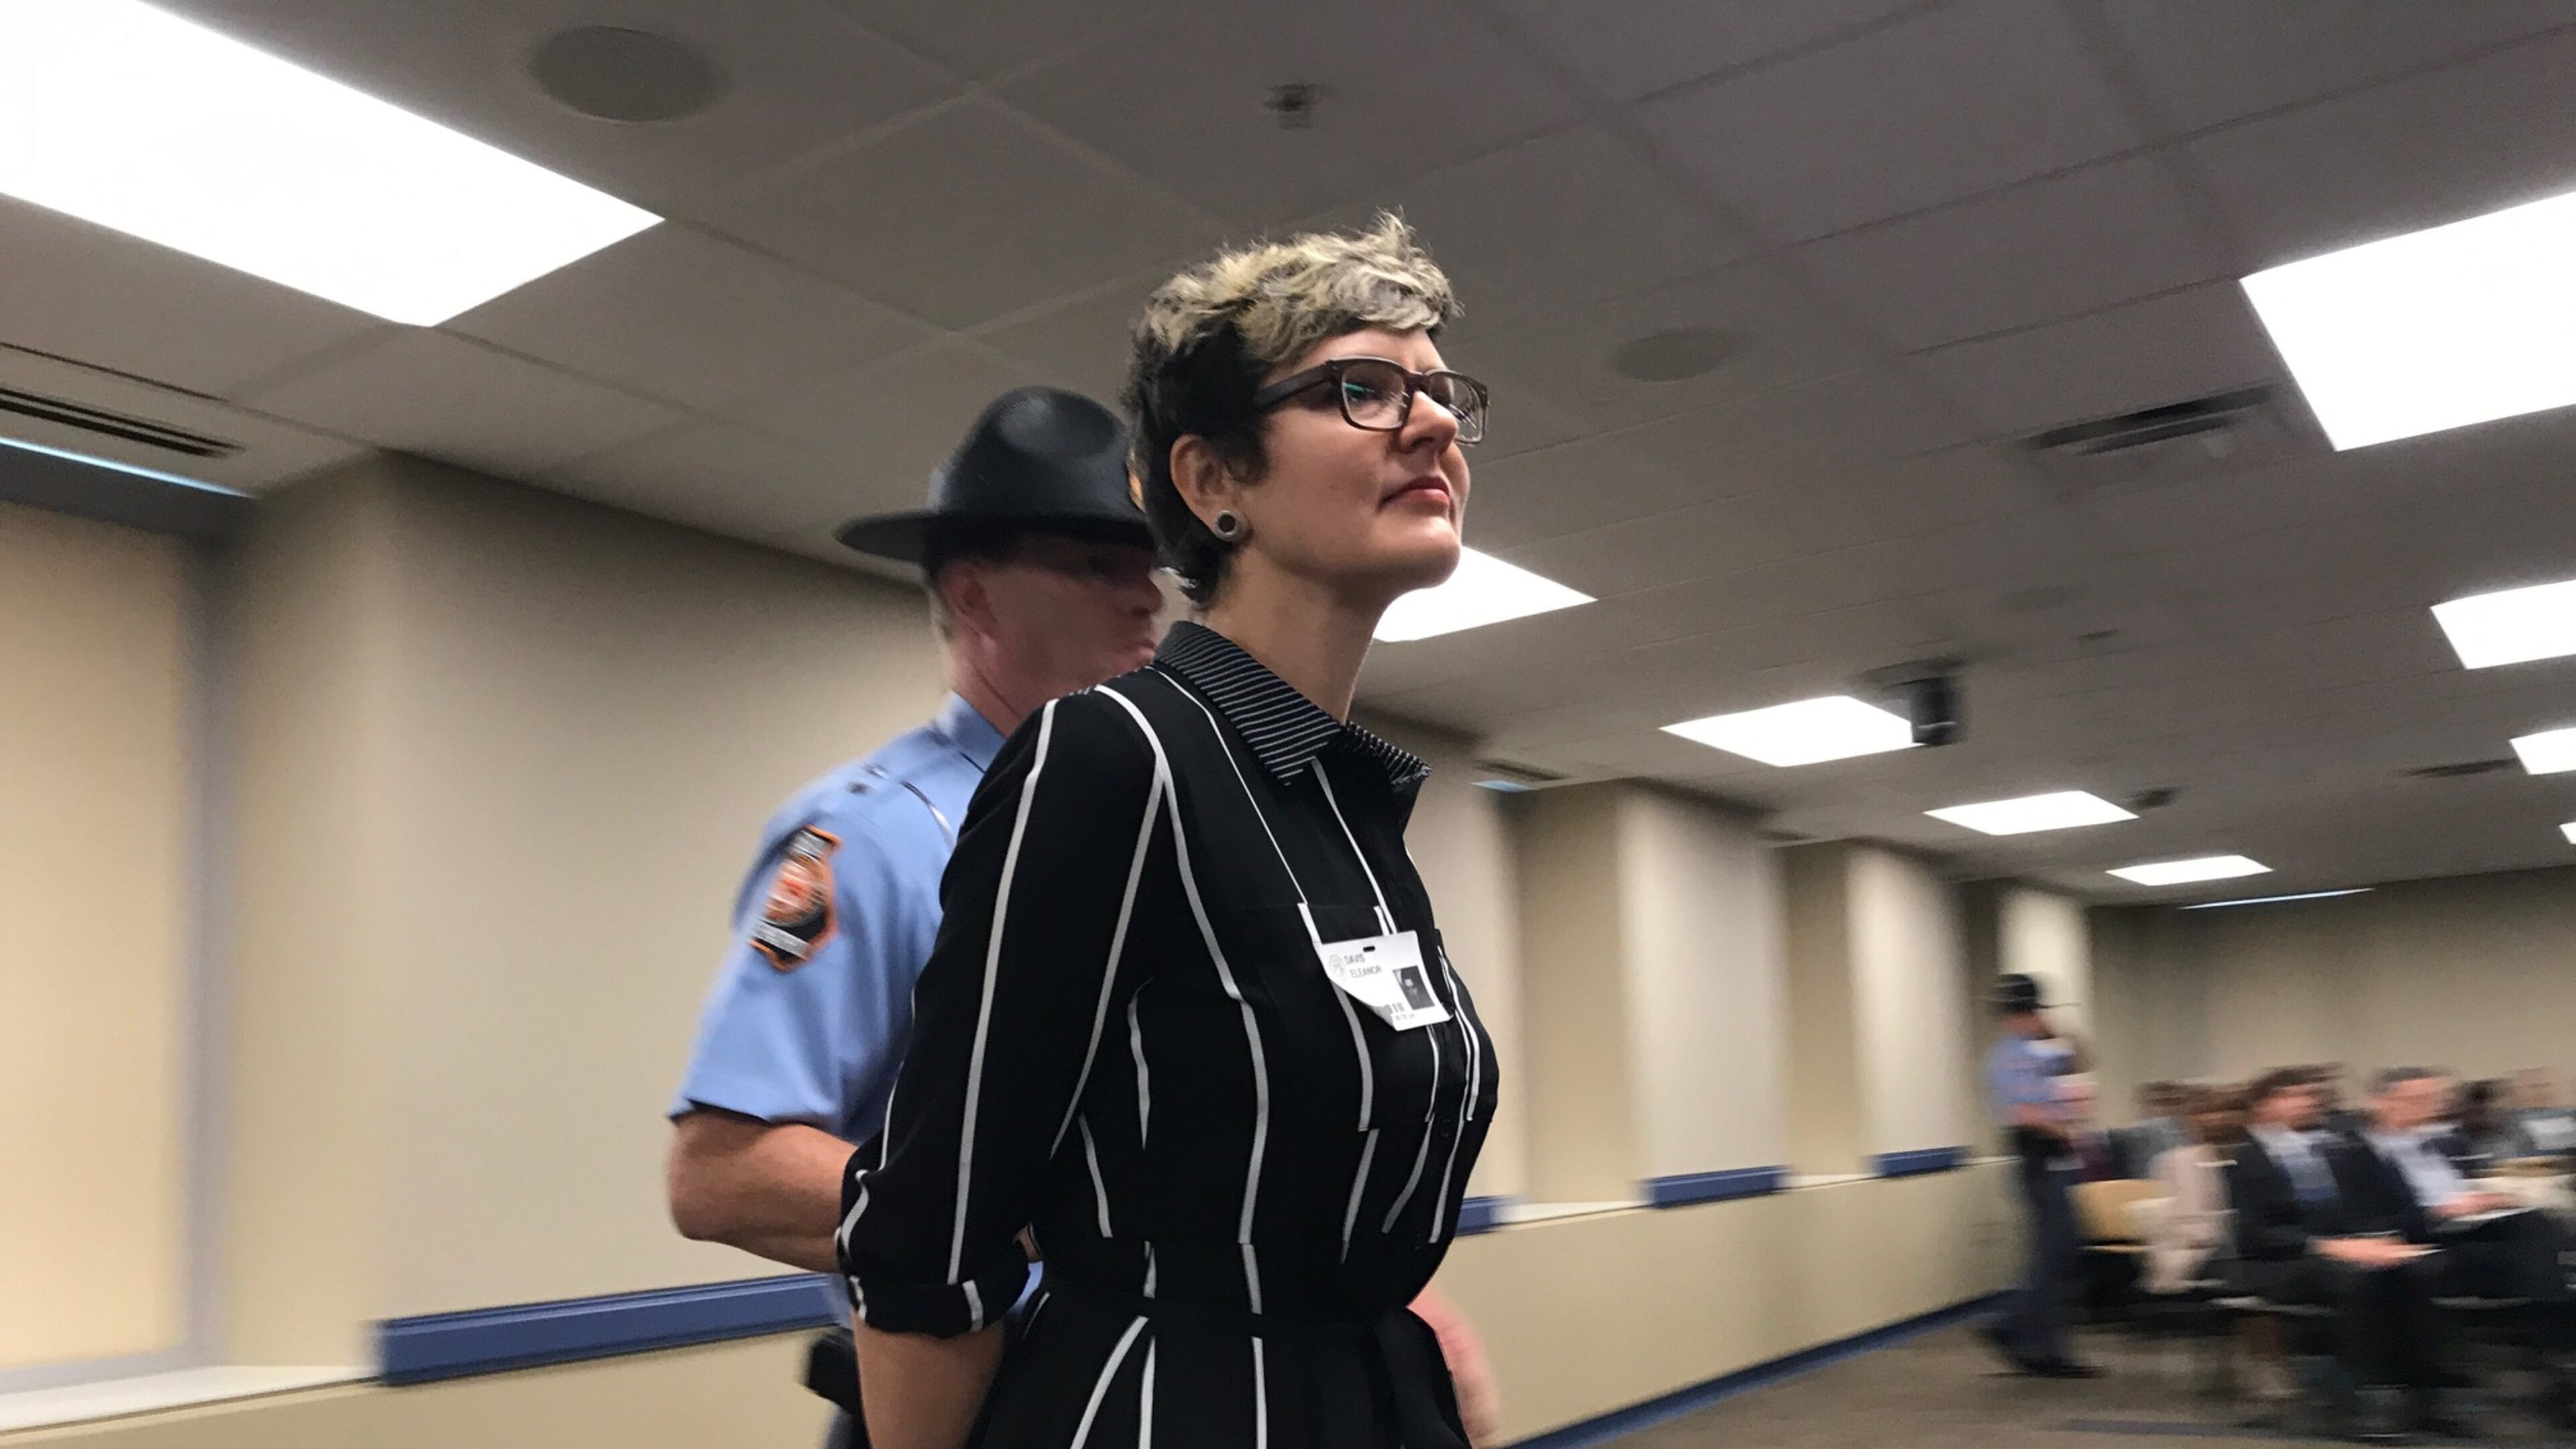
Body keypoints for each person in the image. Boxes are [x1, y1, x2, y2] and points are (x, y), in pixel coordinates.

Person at [835, 216, 1498, 1449]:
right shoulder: (1112, 754)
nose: (1434, 422)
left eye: (1439, 390)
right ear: (1211, 482)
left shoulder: (1345, 803)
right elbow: (933, 1224)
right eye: (1361, 389)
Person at [665, 386, 1167, 1446]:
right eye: (1095, 565)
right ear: (976, 598)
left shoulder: (1149, 835)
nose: (1147, 598)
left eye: (1148, 564)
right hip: (970, 1411)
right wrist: (1038, 1209)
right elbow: (719, 1175)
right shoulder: (871, 840)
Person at [2346, 1066, 2575, 1423]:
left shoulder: (2445, 1142)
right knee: (2534, 1259)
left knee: (2539, 1226)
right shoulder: (2356, 1153)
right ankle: (2557, 1365)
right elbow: (2367, 1220)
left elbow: (2467, 1187)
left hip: (2469, 1232)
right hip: (2415, 1241)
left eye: (2435, 1098)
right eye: (2419, 1099)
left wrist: (2487, 1198)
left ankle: (2559, 1363)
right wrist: (2439, 1211)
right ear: (2383, 1103)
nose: (2432, 1106)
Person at [2230, 1068, 2443, 1440]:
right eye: (2291, 1095)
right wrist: (2331, 1246)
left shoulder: (2335, 1148)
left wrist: (2382, 1240)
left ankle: (2423, 1397)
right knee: (2354, 1279)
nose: (2306, 1102)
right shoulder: (2247, 1160)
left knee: (2416, 1270)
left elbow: (2366, 1208)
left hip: (2344, 1250)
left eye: (2309, 1095)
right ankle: (2356, 1402)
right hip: (2281, 1261)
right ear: (2262, 1106)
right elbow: (2255, 1235)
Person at [1979, 973, 2100, 1378]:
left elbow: (2081, 1068)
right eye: (2021, 1013)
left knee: (2059, 1251)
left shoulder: (2044, 1049)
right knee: (2058, 1250)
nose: (2026, 1019)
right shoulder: (2005, 1058)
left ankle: (2020, 1330)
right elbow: (2024, 1114)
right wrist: (2065, 1129)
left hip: (2058, 1159)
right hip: (2037, 1159)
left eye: (2031, 1012)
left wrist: (2059, 1037)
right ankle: (2026, 1335)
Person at [2142, 1085, 2241, 1296]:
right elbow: (2173, 1225)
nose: (2217, 1119)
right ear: (2190, 1119)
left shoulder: (2246, 1160)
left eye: (2224, 1111)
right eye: (2207, 1112)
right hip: (2193, 1254)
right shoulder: (2173, 1162)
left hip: (2238, 1250)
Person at [2510, 1069, 2576, 1161]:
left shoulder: (2571, 1115)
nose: (2539, 1092)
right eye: (2533, 1087)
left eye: (2545, 1086)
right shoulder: (2513, 1122)